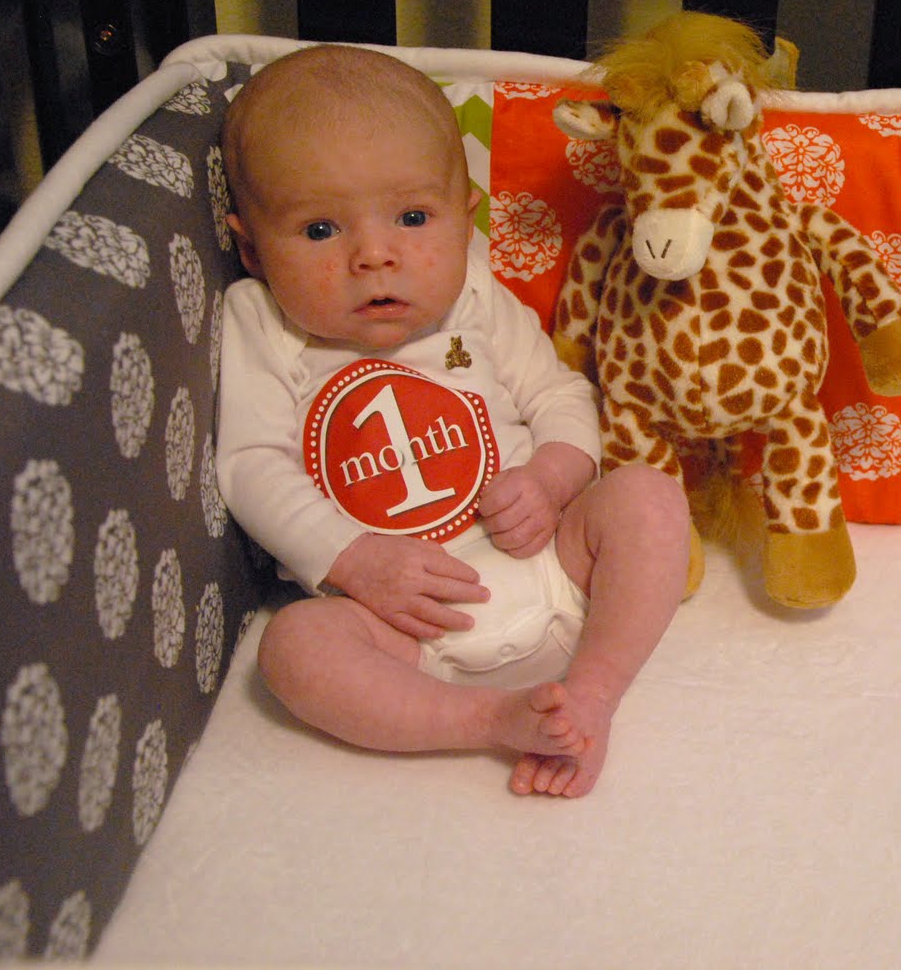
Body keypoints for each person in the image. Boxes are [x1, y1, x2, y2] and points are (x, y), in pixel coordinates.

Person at [215, 43, 689, 798]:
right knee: (295, 649)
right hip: (397, 626)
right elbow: (249, 464)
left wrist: (551, 475)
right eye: (318, 231)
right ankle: (488, 719)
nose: (374, 256)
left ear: (465, 220)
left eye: (411, 216)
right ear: (250, 247)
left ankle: (593, 695)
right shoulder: (264, 321)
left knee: (651, 500)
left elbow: (562, 396)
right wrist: (352, 558)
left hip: (553, 568)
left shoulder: (473, 292)